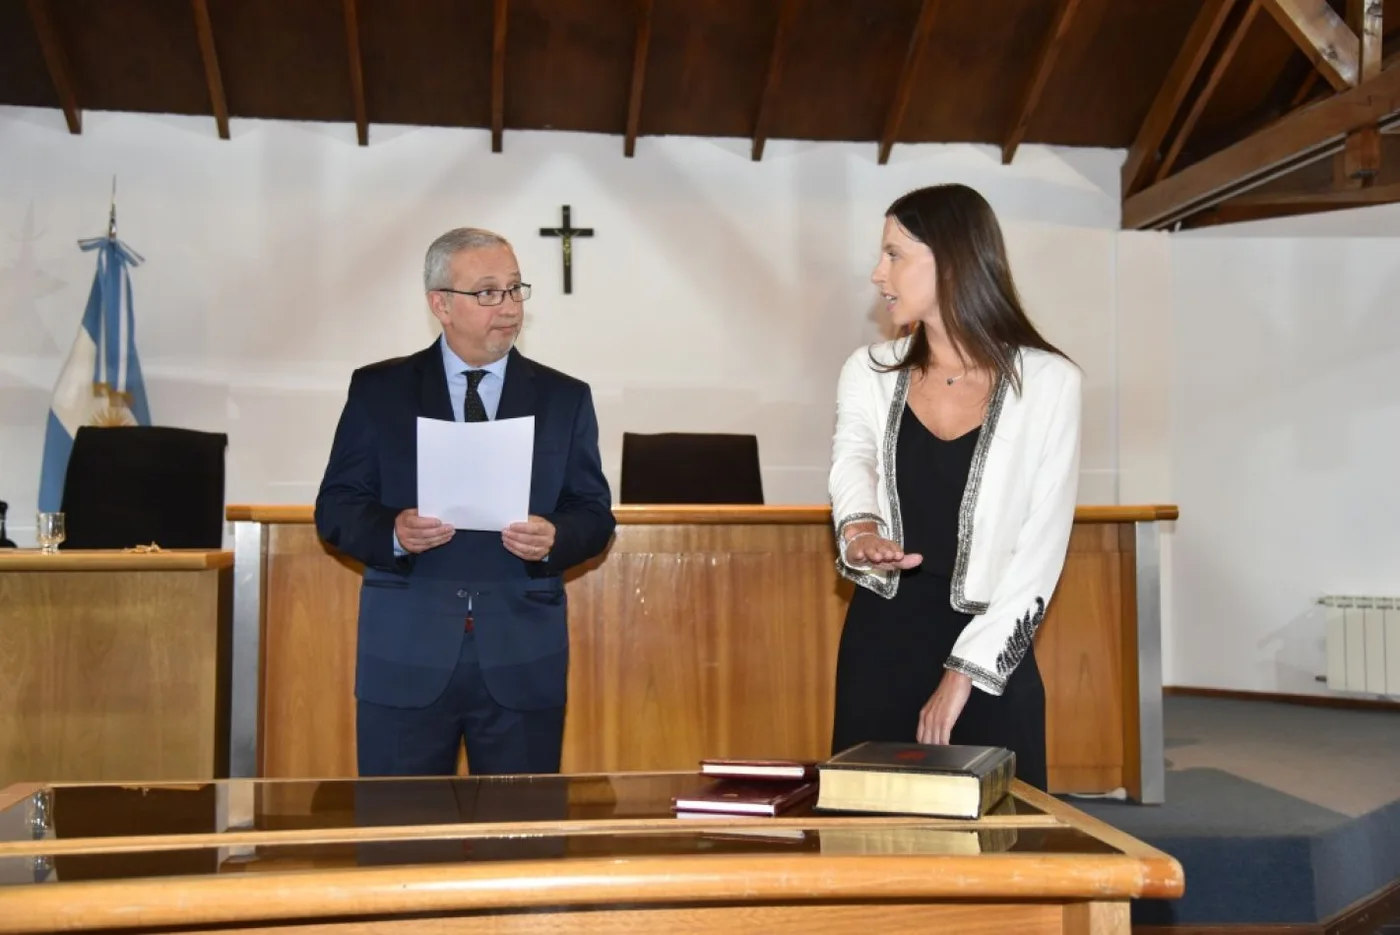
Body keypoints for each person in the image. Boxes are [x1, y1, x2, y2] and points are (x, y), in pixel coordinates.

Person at [315, 227, 615, 778]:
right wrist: (393, 531)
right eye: (487, 292)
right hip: (405, 650)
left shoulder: (565, 397)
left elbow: (594, 514)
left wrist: (556, 537)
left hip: (523, 653)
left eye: (515, 288)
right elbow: (336, 507)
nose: (508, 306)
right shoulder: (379, 390)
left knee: (521, 844)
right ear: (440, 305)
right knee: (397, 843)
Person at [827, 184, 1082, 790]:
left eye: (894, 255)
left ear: (950, 259)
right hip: (882, 638)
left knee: (998, 851)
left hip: (992, 648)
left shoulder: (1050, 383)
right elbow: (852, 461)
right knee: (870, 839)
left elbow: (1041, 548)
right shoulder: (867, 371)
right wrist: (860, 529)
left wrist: (961, 674)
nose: (876, 273)